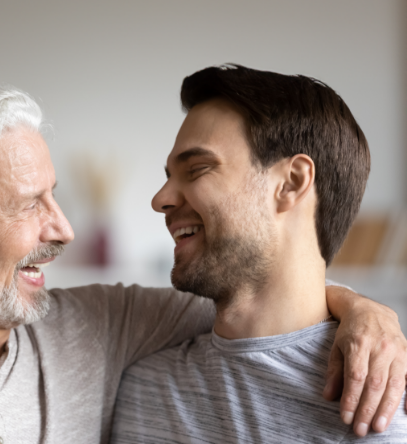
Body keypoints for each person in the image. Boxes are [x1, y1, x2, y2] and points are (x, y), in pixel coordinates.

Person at [0, 79, 404, 443]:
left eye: (58, 196)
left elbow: (259, 294)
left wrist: (367, 312)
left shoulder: (96, 330)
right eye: (30, 204)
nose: (65, 228)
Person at [111, 65, 407, 443]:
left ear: (291, 183)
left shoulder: (388, 410)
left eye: (197, 169)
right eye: (168, 176)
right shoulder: (142, 391)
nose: (160, 199)